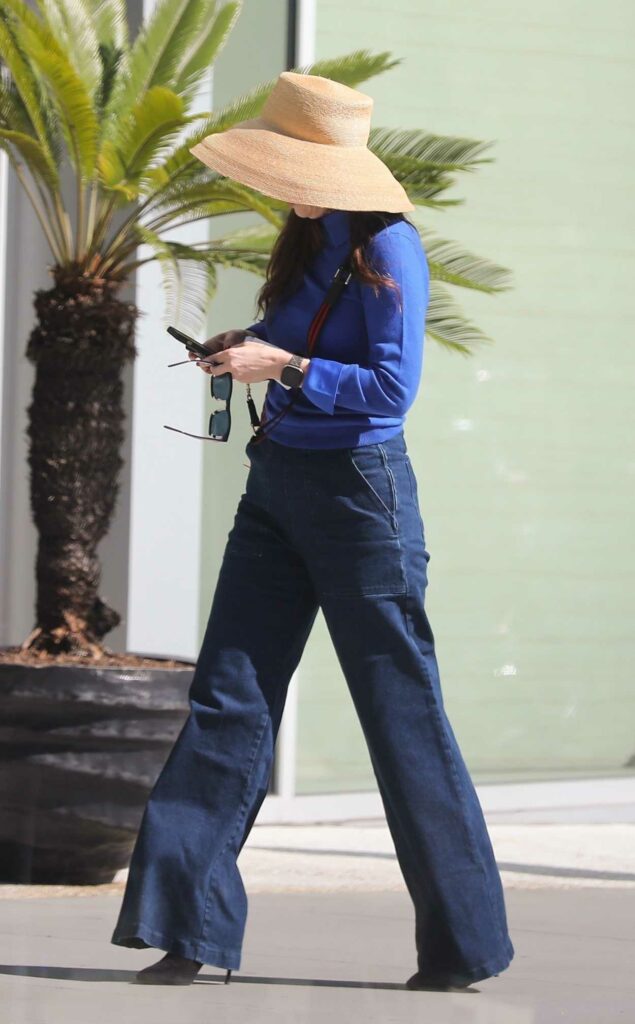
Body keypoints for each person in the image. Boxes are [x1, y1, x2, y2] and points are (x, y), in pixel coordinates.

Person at [110, 71, 515, 991]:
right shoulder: (307, 238)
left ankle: (460, 946)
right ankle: (188, 928)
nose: (279, 182)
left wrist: (283, 365)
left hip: (358, 497)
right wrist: (242, 348)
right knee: (228, 696)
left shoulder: (390, 248)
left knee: (398, 712)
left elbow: (389, 391)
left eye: (293, 164)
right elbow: (299, 339)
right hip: (276, 486)